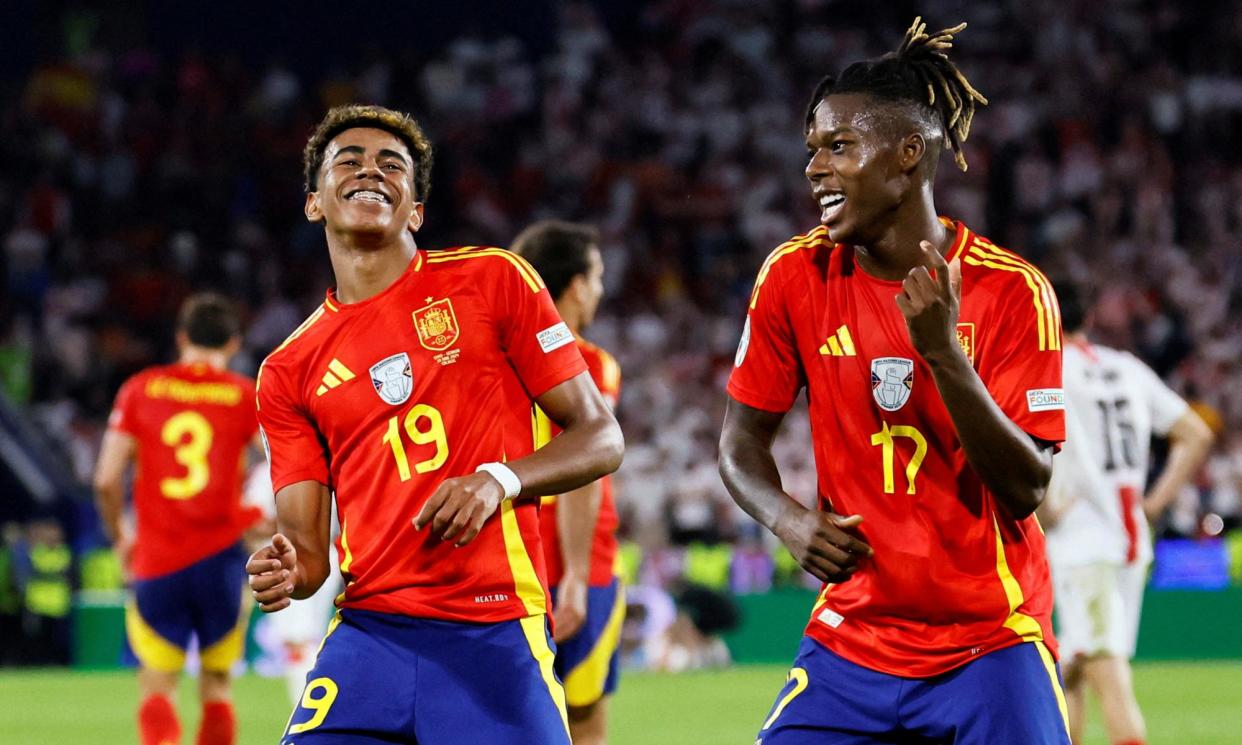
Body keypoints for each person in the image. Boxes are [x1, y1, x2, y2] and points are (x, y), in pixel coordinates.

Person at [718, 18, 1071, 744]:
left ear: (908, 155)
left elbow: (1027, 485)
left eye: (838, 146)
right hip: (852, 643)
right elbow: (739, 441)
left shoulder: (1012, 292)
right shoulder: (794, 275)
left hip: (989, 640)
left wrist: (944, 354)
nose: (814, 168)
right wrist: (787, 519)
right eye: (812, 149)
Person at [246, 104, 624, 745]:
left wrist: (499, 480)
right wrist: (288, 570)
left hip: (494, 628)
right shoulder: (287, 370)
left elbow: (601, 436)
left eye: (392, 164)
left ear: (415, 210)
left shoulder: (492, 280)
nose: (371, 170)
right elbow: (308, 555)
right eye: (350, 160)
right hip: (369, 637)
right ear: (315, 202)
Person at [1039, 283, 1213, 745]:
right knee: (1071, 669)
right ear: (1089, 318)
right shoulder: (1127, 367)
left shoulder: (1047, 367)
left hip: (1082, 542)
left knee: (1107, 674)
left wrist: (1043, 507)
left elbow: (1020, 441)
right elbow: (1195, 433)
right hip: (1130, 539)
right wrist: (1154, 503)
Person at [94, 293, 262, 745]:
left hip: (159, 556)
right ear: (232, 345)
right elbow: (280, 465)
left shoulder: (140, 389)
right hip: (223, 559)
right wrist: (261, 519)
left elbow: (106, 481)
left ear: (181, 337)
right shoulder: (244, 396)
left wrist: (120, 537)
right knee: (218, 685)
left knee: (158, 684)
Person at [512, 220, 624, 745]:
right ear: (577, 285)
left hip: (507, 565)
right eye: (597, 276)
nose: (600, 289)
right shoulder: (588, 362)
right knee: (584, 723)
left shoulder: (501, 357)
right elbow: (585, 471)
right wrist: (577, 575)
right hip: (574, 567)